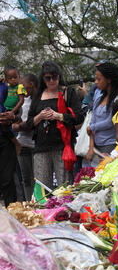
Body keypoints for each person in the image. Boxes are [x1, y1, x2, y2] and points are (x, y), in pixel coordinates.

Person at [26, 61, 84, 189]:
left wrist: (59, 116)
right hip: (41, 146)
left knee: (64, 187)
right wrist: (40, 116)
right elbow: (29, 123)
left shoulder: (68, 92)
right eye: (48, 78)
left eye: (55, 77)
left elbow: (79, 116)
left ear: (59, 76)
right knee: (42, 187)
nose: (52, 81)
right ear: (43, 79)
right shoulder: (38, 95)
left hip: (62, 146)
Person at [85, 62, 118, 163]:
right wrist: (91, 147)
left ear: (109, 80)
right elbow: (93, 119)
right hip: (96, 145)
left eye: (99, 79)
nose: (96, 82)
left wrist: (93, 127)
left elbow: (110, 121)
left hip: (111, 144)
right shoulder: (98, 95)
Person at [11, 73, 38, 202]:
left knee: (37, 179)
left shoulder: (39, 100)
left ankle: (38, 205)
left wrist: (19, 126)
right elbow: (19, 117)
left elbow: (32, 123)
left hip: (36, 145)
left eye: (24, 86)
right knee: (26, 179)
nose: (22, 89)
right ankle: (29, 204)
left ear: (31, 84)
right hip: (22, 144)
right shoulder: (23, 101)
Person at [0, 77, 20, 206]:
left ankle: (11, 213)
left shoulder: (4, 86)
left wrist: (12, 117)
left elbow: (7, 111)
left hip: (4, 138)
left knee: (7, 179)